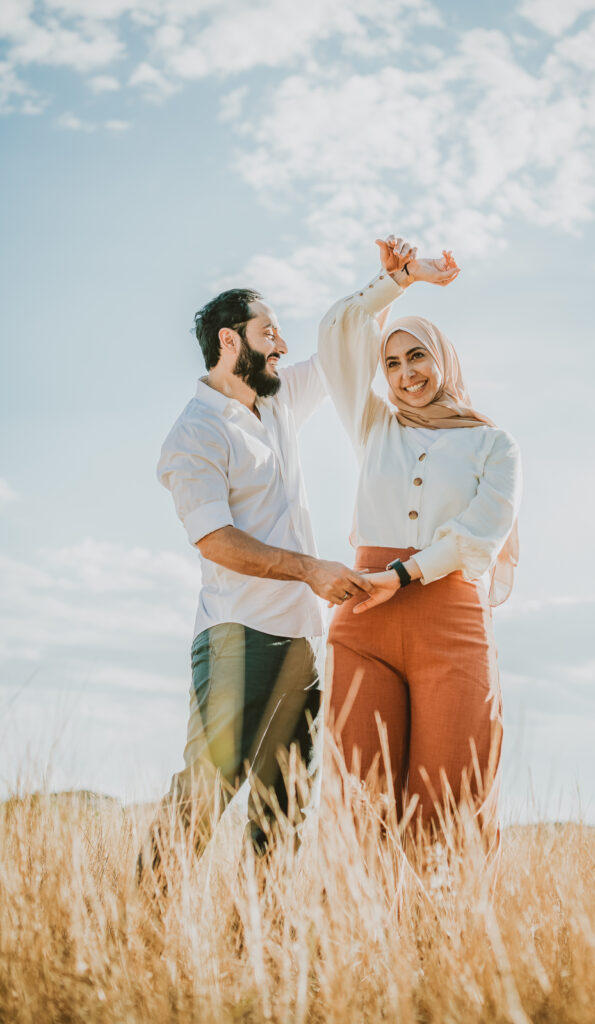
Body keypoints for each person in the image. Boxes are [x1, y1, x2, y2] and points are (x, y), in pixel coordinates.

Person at [137, 284, 374, 891]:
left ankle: (262, 951)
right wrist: (310, 569)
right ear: (228, 340)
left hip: (303, 643)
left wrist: (395, 282)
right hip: (237, 639)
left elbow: (340, 348)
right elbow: (215, 540)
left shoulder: (277, 403)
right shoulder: (194, 433)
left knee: (286, 810)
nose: (282, 346)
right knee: (208, 793)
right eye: (269, 333)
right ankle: (137, 932)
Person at [318, 235, 522, 855]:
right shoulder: (373, 424)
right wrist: (401, 280)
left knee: (449, 799)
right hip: (363, 623)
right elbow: (338, 331)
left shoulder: (494, 445)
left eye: (418, 358)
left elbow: (481, 534)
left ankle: (444, 944)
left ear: (442, 359)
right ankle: (362, 941)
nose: (406, 375)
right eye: (393, 363)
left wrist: (403, 577)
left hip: (449, 620)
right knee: (360, 800)